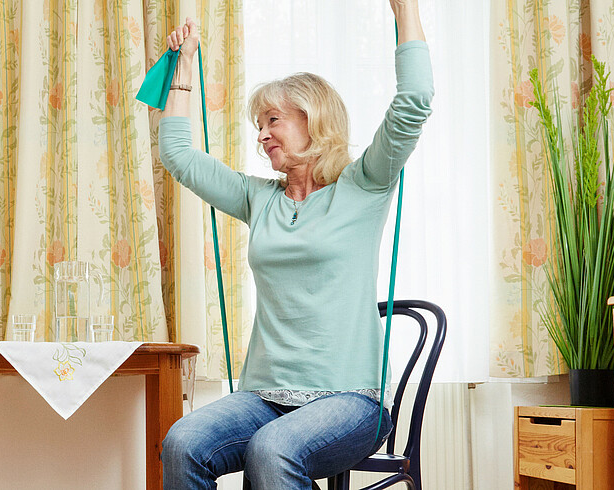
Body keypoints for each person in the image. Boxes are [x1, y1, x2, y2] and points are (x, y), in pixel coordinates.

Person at [156, 1, 432, 488]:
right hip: (265, 396)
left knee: (273, 448)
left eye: (272, 121)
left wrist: (404, 9)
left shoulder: (364, 185)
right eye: (258, 126)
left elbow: (414, 102)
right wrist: (182, 73)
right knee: (183, 441)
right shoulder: (258, 198)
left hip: (350, 399)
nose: (261, 135)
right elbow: (178, 155)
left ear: (313, 119)